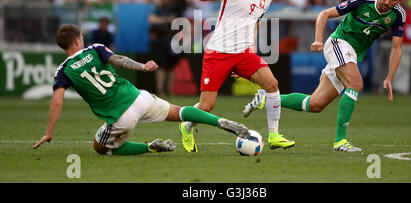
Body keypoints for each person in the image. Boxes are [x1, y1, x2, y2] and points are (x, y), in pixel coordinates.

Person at [33, 25, 250, 155]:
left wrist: (49, 132)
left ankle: (150, 147)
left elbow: (57, 102)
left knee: (100, 147)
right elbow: (118, 60)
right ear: (79, 40)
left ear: (64, 46)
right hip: (139, 97)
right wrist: (142, 66)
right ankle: (219, 121)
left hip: (121, 116)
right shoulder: (95, 48)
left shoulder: (63, 71)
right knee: (180, 112)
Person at [243, 0, 406, 152]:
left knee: (315, 104)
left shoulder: (398, 15)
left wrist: (389, 77)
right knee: (356, 84)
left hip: (352, 55)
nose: (387, 2)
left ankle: (266, 98)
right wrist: (318, 40)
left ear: (399, 1)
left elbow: (396, 48)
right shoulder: (362, 1)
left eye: (393, 0)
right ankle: (340, 141)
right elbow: (324, 14)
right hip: (339, 43)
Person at [179, 0, 295, 152]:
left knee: (272, 84)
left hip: (244, 53)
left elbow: (255, 23)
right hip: (219, 52)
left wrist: (252, 50)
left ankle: (274, 135)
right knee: (206, 106)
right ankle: (186, 126)